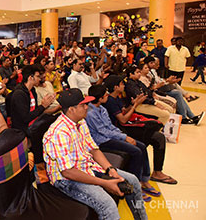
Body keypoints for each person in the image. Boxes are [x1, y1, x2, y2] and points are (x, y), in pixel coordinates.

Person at [43, 88, 147, 220]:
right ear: (71, 109)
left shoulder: (80, 122)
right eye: (83, 105)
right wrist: (103, 183)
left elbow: (94, 149)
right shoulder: (58, 133)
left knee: (133, 181)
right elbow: (68, 172)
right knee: (108, 205)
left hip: (86, 166)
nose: (87, 107)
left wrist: (110, 169)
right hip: (66, 180)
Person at [86, 85, 157, 202]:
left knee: (142, 146)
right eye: (105, 94)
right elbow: (102, 131)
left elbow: (109, 126)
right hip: (102, 141)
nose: (107, 95)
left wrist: (123, 136)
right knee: (136, 151)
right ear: (99, 98)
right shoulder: (90, 113)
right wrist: (124, 137)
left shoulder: (102, 108)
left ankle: (145, 179)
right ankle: (135, 185)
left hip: (110, 136)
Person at [103, 75, 178, 185]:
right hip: (121, 129)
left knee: (157, 136)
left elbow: (123, 111)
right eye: (121, 84)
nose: (124, 85)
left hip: (125, 126)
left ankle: (153, 172)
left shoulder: (116, 98)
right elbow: (123, 120)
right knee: (155, 139)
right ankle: (151, 174)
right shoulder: (110, 101)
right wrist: (135, 106)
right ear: (115, 87)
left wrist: (133, 104)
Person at [10, 65, 55, 136]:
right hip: (24, 128)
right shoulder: (19, 94)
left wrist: (44, 105)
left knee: (54, 119)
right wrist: (43, 106)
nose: (39, 79)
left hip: (34, 122)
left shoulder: (32, 90)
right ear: (31, 77)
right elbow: (25, 118)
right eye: (37, 76)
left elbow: (35, 110)